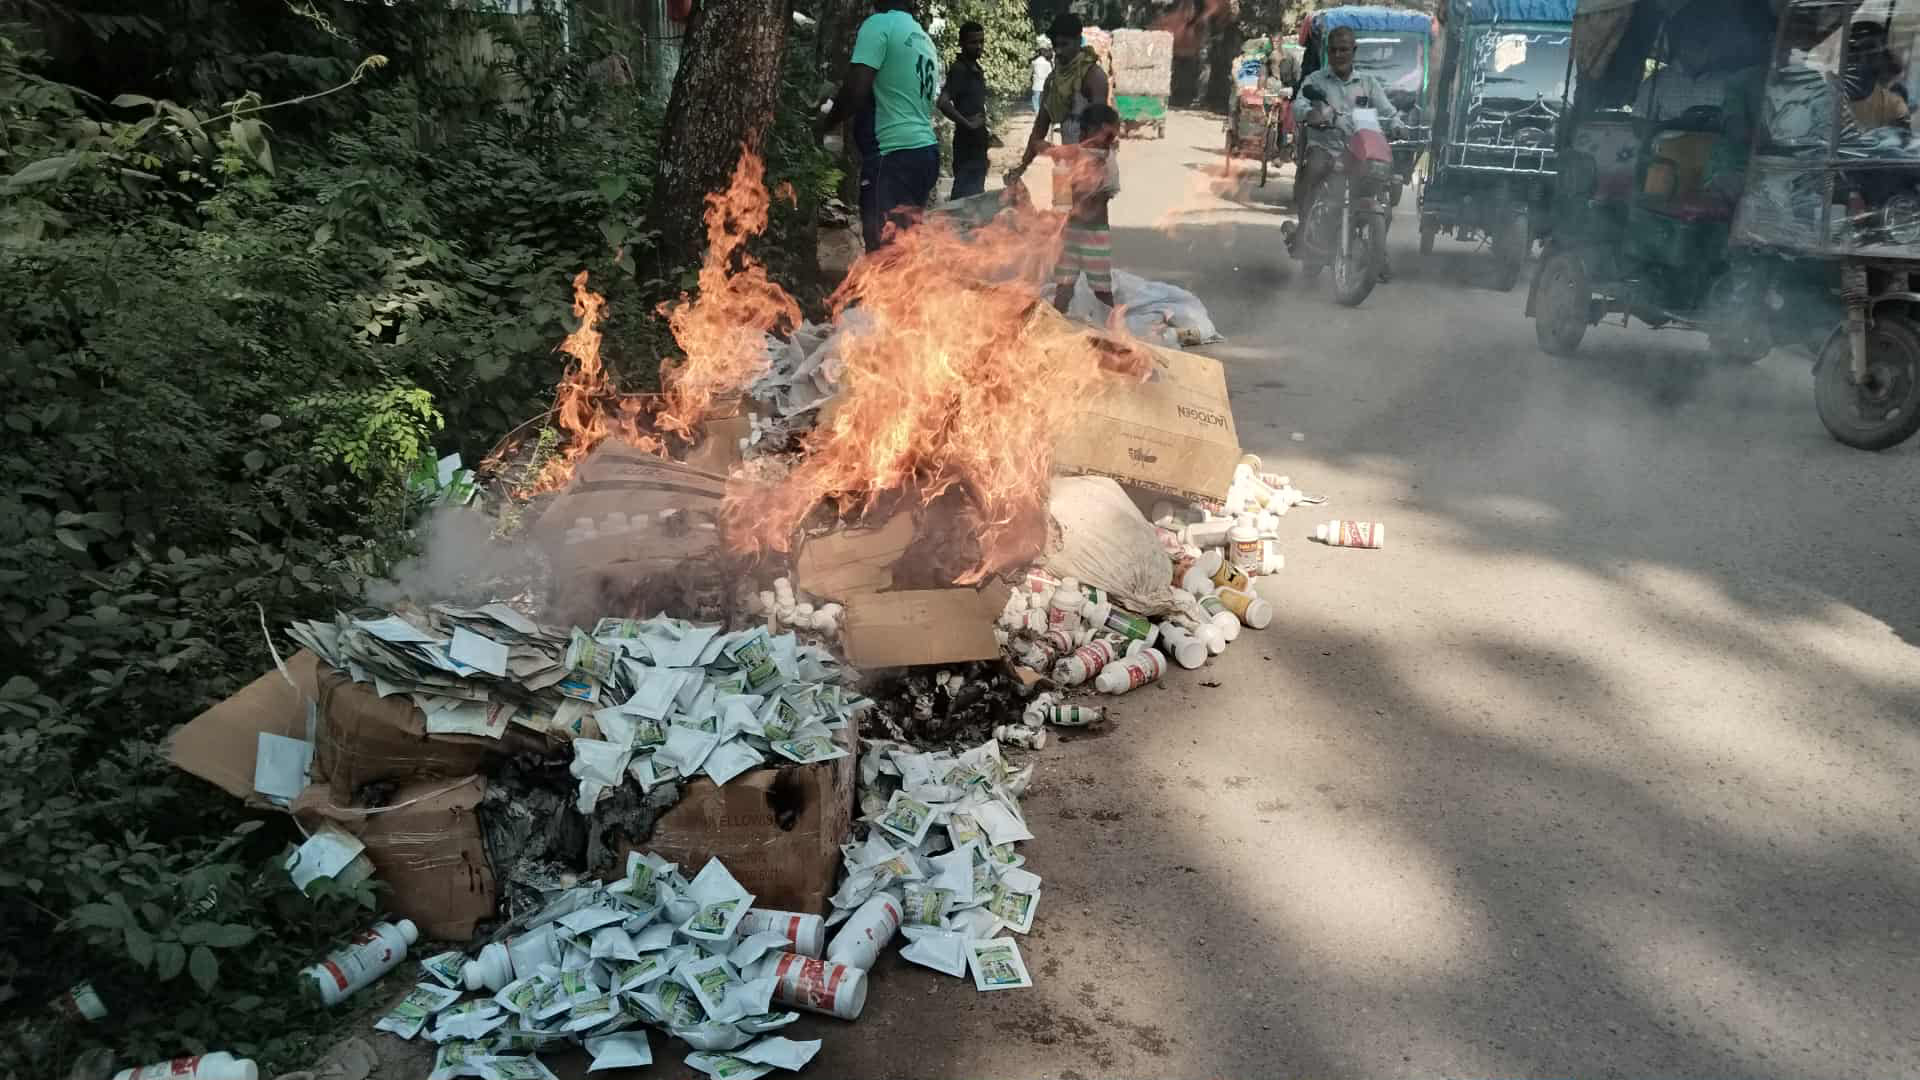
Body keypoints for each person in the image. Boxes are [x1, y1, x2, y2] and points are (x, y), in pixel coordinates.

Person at [819, 0, 941, 251]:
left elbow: (856, 91)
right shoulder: (922, 37)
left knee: (883, 250)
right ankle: (910, 291)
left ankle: (891, 290)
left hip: (892, 156)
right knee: (904, 246)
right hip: (924, 152)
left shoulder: (879, 24)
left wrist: (825, 123)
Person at [1292, 25, 1399, 264]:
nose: (1339, 55)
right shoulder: (1316, 80)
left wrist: (1397, 123)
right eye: (1333, 50)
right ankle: (1303, 231)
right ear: (1327, 52)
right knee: (1315, 168)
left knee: (1384, 189)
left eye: (1344, 49)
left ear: (1354, 51)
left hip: (1359, 152)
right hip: (1325, 147)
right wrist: (1312, 114)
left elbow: (1388, 111)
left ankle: (1376, 251)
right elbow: (1298, 106)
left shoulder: (1368, 83)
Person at [1044, 102, 1121, 313]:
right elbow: (1060, 202)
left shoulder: (1108, 162)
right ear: (1086, 134)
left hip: (1095, 236)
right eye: (1107, 137)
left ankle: (1114, 329)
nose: (1111, 142)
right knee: (1064, 286)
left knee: (1102, 289)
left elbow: (1103, 196)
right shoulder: (1068, 162)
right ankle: (1055, 322)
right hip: (1069, 234)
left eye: (1112, 138)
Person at [1017, 12, 1110, 177]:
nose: (1058, 51)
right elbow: (1040, 128)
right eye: (1055, 45)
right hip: (1067, 166)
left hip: (1091, 170)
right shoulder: (1053, 80)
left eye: (1064, 44)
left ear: (1077, 40)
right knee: (1060, 203)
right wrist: (1022, 167)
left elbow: (1099, 131)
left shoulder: (1093, 76)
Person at [939, 21, 991, 199]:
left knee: (976, 197)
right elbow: (943, 102)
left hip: (978, 144)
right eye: (973, 42)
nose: (978, 47)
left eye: (981, 42)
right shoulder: (960, 69)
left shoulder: (976, 69)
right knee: (964, 199)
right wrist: (968, 124)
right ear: (961, 43)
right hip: (966, 144)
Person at [1030, 41, 1053, 114]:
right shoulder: (1047, 63)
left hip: (1036, 83)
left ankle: (1037, 112)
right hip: (1045, 83)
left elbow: (1032, 72)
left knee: (1035, 99)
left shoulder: (1034, 62)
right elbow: (1050, 73)